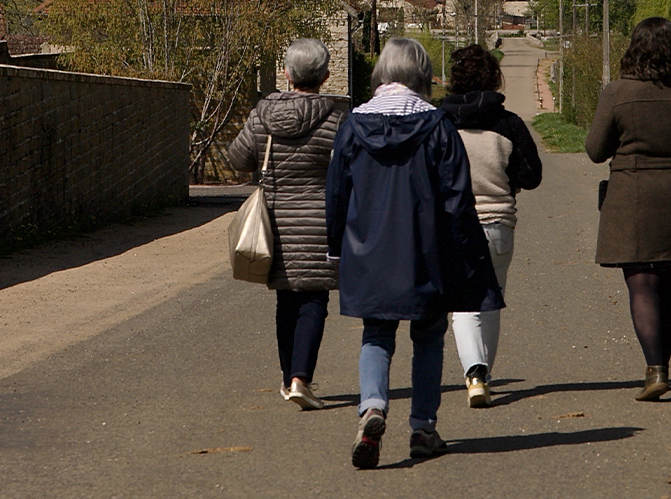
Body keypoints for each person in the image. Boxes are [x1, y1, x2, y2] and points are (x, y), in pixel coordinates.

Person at [326, 37, 503, 469]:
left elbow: (336, 193)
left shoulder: (353, 125)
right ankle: (423, 427)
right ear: (422, 74)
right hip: (427, 251)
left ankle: (372, 407)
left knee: (376, 334)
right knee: (428, 337)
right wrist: (467, 254)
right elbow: (458, 198)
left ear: (381, 72)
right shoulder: (438, 126)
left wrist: (336, 249)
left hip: (369, 251)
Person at [585, 16, 671, 401]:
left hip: (631, 195)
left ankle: (655, 368)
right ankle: (663, 365)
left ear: (634, 49)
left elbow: (595, 150)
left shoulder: (617, 93)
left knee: (642, 283)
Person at [227, 39, 349, 411]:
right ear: (325, 76)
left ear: (286, 74)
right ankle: (300, 379)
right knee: (313, 299)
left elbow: (238, 160)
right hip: (318, 224)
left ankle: (287, 380)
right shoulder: (335, 119)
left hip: (274, 224)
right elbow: (349, 172)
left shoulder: (261, 115)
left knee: (286, 301)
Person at [439, 43, 543, 407]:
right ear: (494, 78)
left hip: (454, 225)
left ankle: (475, 373)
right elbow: (531, 176)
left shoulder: (440, 122)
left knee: (462, 306)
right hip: (499, 223)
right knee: (490, 301)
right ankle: (483, 374)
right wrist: (507, 179)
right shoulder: (509, 123)